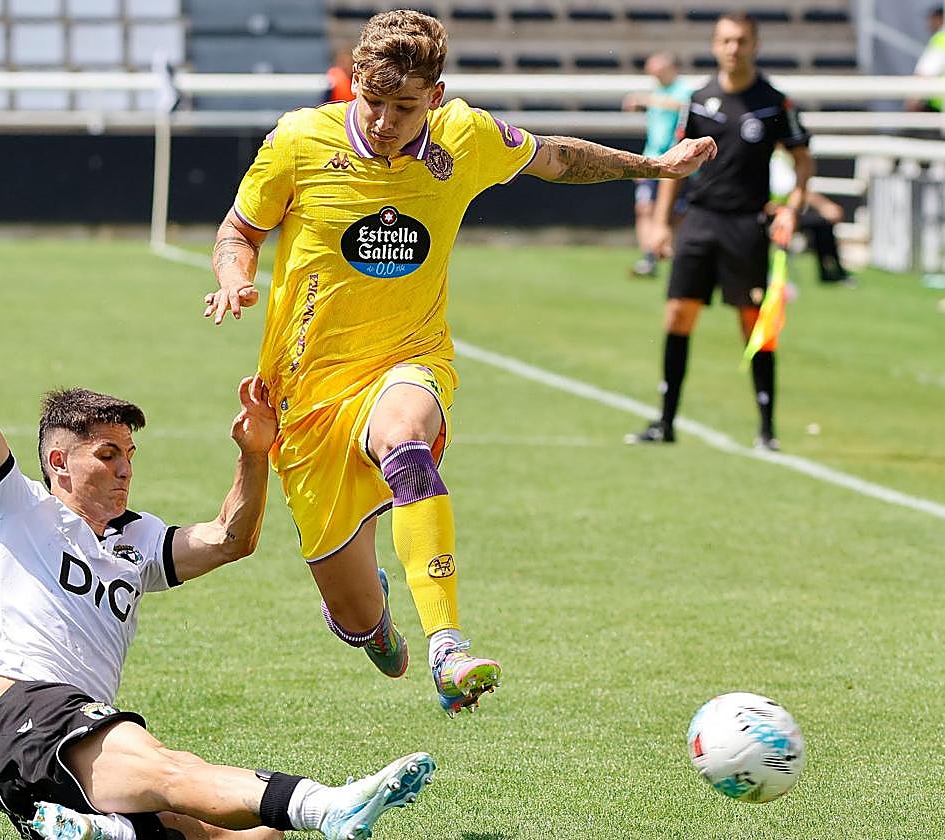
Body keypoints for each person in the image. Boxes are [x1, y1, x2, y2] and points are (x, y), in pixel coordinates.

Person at [202, 10, 715, 717]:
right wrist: (234, 276)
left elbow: (554, 157)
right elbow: (240, 230)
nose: (384, 121)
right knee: (357, 618)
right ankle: (372, 618)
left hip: (407, 358)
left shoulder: (463, 137)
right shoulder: (299, 140)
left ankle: (448, 648)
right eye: (371, 101)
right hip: (306, 395)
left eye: (404, 107)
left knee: (404, 440)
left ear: (435, 97)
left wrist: (653, 166)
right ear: (354, 84)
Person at [0, 210, 436, 840]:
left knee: (237, 835)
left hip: (69, 752)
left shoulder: (138, 539)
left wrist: (254, 453)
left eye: (130, 454)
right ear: (59, 462)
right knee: (175, 771)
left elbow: (233, 538)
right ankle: (322, 804)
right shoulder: (18, 507)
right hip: (30, 717)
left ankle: (99, 832)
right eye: (108, 455)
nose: (126, 469)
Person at [627, 11, 814, 452]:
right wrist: (661, 223)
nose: (734, 49)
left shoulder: (773, 102)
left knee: (754, 324)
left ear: (755, 45)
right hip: (700, 220)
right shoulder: (698, 99)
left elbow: (803, 159)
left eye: (742, 41)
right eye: (726, 41)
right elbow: (676, 164)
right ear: (715, 45)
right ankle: (665, 422)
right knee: (678, 315)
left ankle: (766, 430)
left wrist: (792, 209)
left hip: (747, 225)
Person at [623, 52, 696, 278]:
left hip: (675, 161)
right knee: (644, 207)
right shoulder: (656, 91)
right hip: (652, 158)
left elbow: (684, 107)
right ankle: (648, 258)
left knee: (676, 214)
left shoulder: (683, 89)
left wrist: (646, 101)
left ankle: (673, 255)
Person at [768, 148, 853, 285]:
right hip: (764, 214)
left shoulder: (785, 157)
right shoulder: (766, 156)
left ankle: (831, 271)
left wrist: (825, 206)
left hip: (788, 212)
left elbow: (798, 189)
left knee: (823, 223)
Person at [906, 5, 945, 113]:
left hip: (941, 108)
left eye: (932, 19)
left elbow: (925, 73)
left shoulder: (943, 39)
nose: (928, 23)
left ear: (941, 19)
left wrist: (913, 99)